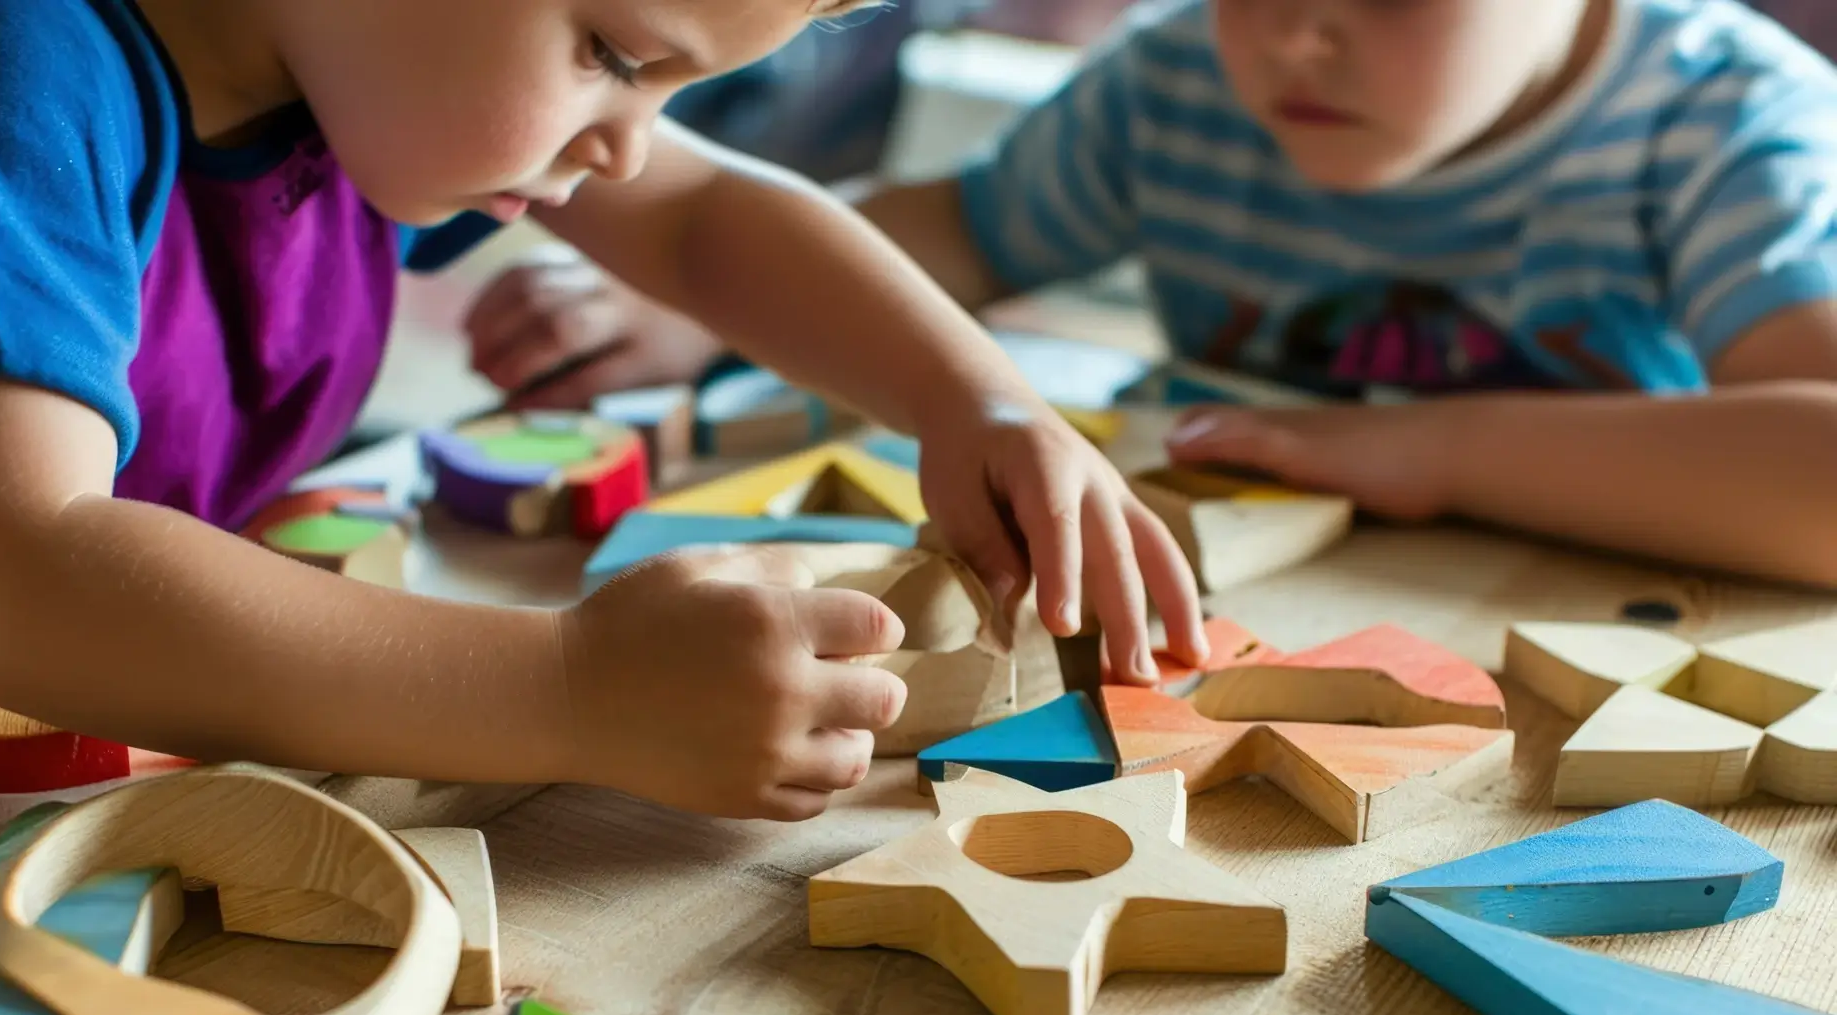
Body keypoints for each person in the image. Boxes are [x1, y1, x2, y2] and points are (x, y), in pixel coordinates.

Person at [0, 0, 1209, 823]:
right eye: (614, 50)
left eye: (677, 84)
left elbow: (706, 220)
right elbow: (14, 578)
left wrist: (979, 398)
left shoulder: (349, 57)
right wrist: (570, 691)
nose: (625, 141)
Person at [493, 0, 1837, 589]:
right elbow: (960, 229)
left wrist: (1427, 448)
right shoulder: (1179, 77)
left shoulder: (1726, 122)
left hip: (1550, 614)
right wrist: (693, 308)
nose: (1296, 36)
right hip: (1219, 594)